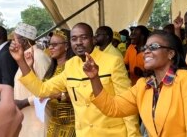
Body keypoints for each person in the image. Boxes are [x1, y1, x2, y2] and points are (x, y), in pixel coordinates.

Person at [10, 22, 141, 137]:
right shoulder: (70, 65)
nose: (78, 42)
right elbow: (42, 90)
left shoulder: (113, 62)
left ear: (93, 40)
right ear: (70, 43)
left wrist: (133, 134)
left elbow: (126, 105)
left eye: (83, 38)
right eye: (74, 38)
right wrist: (21, 60)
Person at [82, 30, 187, 137]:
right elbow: (112, 107)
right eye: (145, 47)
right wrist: (94, 78)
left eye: (154, 47)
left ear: (171, 53)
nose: (146, 51)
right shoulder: (144, 85)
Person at [12, 22, 51, 137]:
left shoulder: (39, 57)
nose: (12, 43)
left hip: (37, 118)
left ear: (23, 41)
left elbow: (47, 90)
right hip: (26, 117)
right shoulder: (25, 56)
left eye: (14, 39)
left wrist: (24, 102)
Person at [42, 28, 76, 137]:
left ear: (66, 46)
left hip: (71, 125)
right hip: (54, 124)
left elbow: (80, 94)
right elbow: (42, 88)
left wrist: (59, 96)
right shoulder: (52, 68)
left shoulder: (73, 67)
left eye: (54, 44)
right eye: (49, 44)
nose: (50, 47)